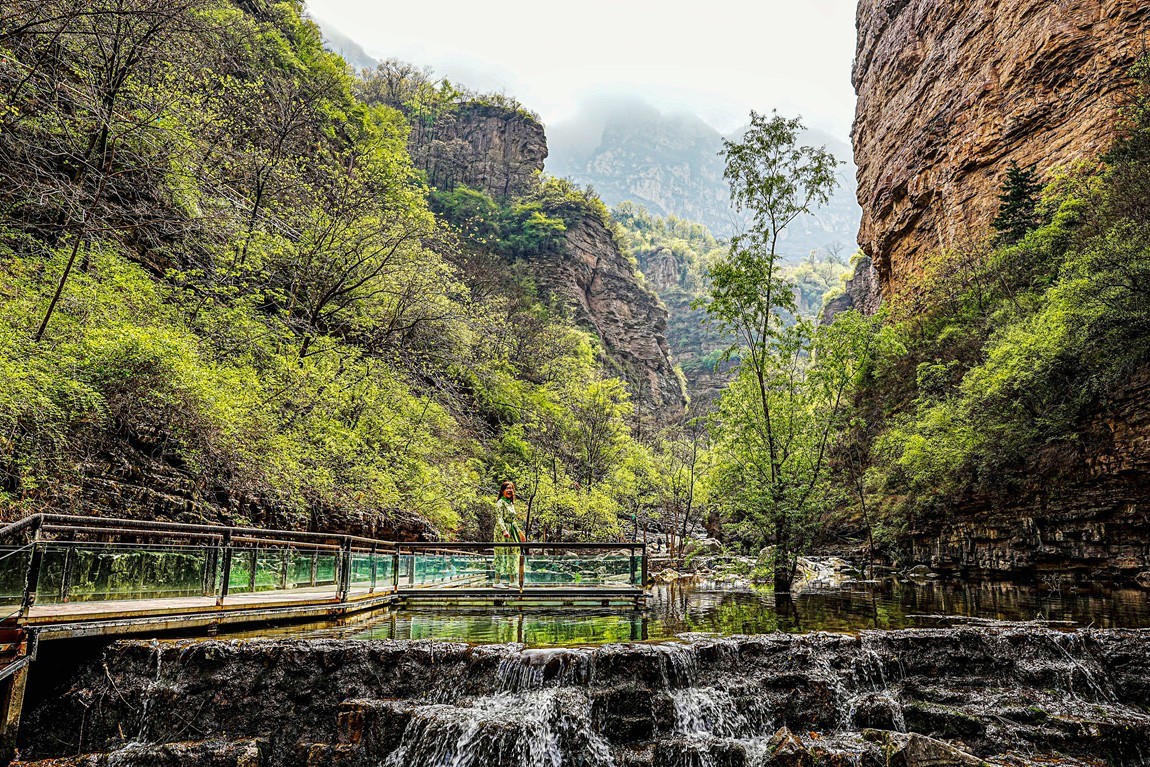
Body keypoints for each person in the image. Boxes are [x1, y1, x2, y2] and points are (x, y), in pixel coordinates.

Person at [493, 481, 524, 586]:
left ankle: (512, 580)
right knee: (501, 553)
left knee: (512, 553)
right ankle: (497, 581)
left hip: (511, 530)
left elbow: (513, 520)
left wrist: (519, 532)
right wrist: (504, 530)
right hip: (502, 532)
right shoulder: (500, 503)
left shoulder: (510, 503)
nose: (510, 490)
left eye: (511, 488)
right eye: (507, 488)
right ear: (502, 491)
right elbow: (499, 518)